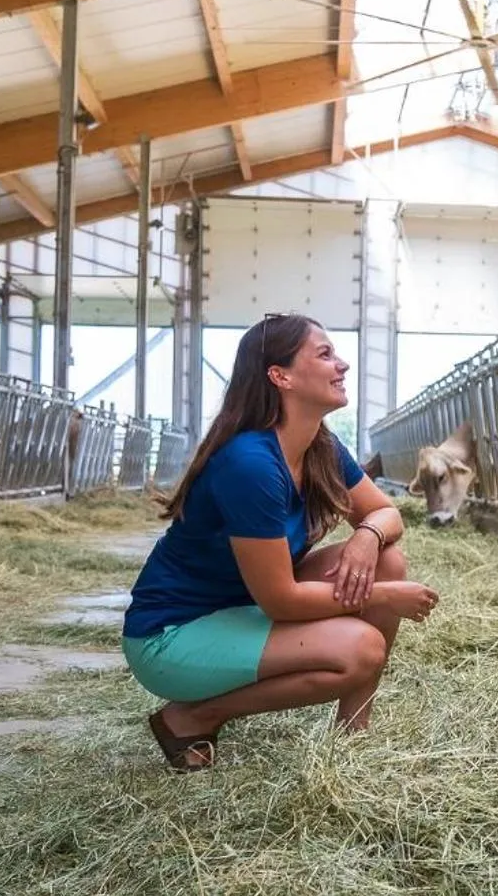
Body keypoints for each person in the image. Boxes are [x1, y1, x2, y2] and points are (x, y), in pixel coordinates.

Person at [121, 314, 439, 770]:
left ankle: (354, 737)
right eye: (325, 354)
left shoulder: (320, 448)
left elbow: (385, 513)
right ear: (280, 376)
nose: (342, 365)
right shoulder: (251, 464)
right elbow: (280, 600)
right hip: (173, 636)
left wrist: (366, 536)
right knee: (362, 648)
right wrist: (384, 596)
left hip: (240, 609)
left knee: (388, 559)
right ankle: (193, 716)